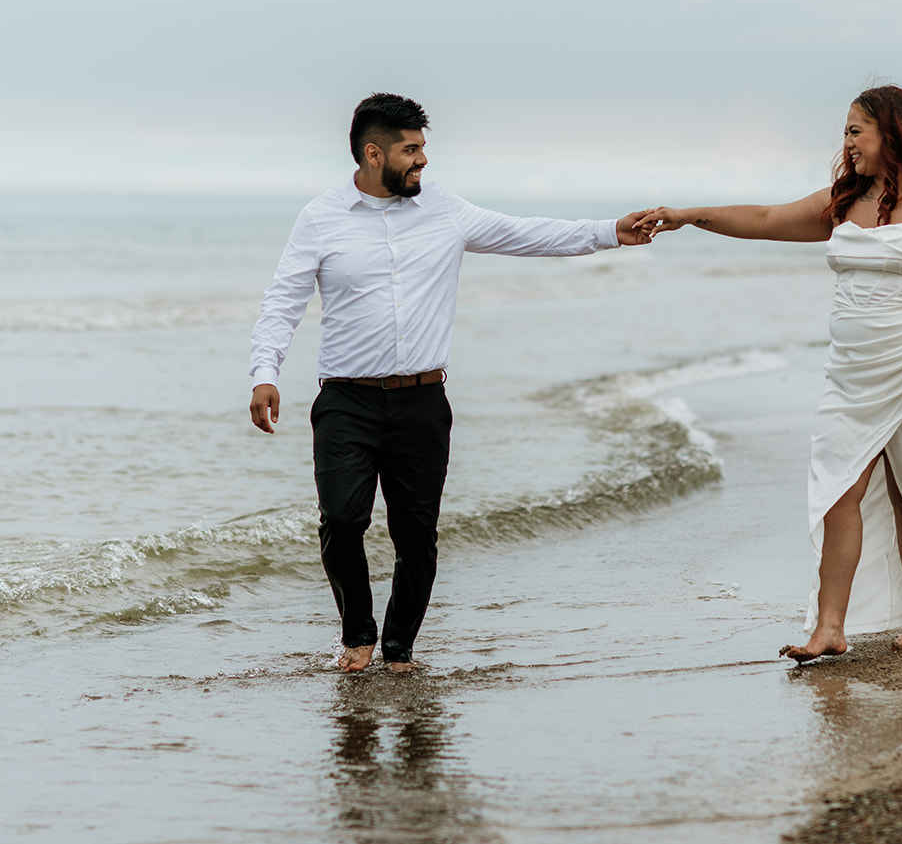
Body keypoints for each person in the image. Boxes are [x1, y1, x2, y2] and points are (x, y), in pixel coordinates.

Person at [249, 92, 652, 673]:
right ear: (372, 153)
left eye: (422, 149)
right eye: (410, 150)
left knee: (417, 536)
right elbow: (282, 301)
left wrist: (611, 231)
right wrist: (266, 373)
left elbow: (528, 233)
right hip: (345, 400)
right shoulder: (320, 218)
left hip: (423, 402)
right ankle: (357, 637)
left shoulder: (445, 210)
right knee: (342, 520)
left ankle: (399, 649)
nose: (422, 161)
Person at [636, 85, 902, 658]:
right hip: (851, 376)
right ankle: (829, 629)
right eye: (847, 131)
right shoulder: (844, 201)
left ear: (892, 132)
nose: (847, 142)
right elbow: (765, 217)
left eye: (857, 130)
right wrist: (687, 216)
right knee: (837, 492)